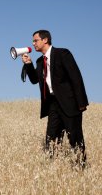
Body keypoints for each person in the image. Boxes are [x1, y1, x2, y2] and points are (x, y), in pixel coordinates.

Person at [22, 30, 88, 165]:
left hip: (70, 104)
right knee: (51, 139)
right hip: (52, 105)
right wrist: (28, 64)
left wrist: (81, 103)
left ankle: (81, 168)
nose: (33, 43)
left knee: (75, 138)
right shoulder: (40, 61)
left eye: (35, 40)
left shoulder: (62, 54)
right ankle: (52, 169)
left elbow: (76, 77)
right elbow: (35, 80)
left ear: (45, 40)